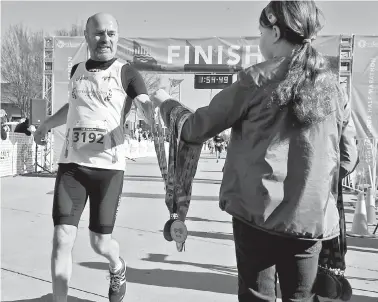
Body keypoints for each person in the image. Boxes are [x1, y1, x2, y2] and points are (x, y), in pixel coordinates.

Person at [151, 1, 358, 301]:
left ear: (275, 32)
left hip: (256, 214)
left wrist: (164, 103)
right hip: (310, 220)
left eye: (260, 32)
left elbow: (195, 128)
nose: (260, 39)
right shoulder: (334, 89)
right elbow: (348, 159)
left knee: (255, 296)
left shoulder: (255, 79)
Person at [34, 12, 153, 302]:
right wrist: (48, 124)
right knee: (62, 238)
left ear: (117, 37)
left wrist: (153, 114)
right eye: (99, 33)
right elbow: (73, 107)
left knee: (100, 243)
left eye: (111, 34)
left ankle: (117, 266)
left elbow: (145, 104)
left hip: (108, 171)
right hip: (72, 168)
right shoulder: (76, 70)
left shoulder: (128, 73)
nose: (105, 39)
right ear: (87, 36)